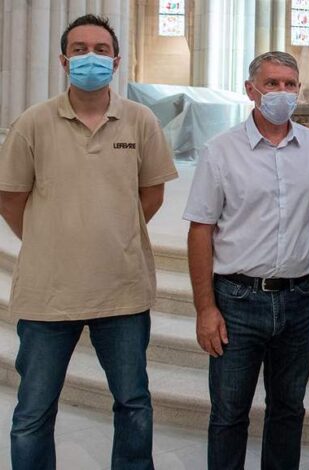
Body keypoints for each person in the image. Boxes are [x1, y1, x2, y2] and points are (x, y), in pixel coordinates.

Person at [0, 14, 178, 470]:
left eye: (100, 49)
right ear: (63, 61)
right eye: (79, 49)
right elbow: (11, 198)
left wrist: (112, 231)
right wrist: (50, 238)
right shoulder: (33, 122)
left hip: (121, 292)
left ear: (116, 61)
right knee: (33, 413)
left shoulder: (140, 120)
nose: (90, 58)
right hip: (48, 295)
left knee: (134, 404)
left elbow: (151, 193)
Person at [183, 51, 309, 470]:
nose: (282, 93)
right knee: (229, 412)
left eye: (291, 84)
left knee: (288, 408)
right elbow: (200, 230)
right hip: (237, 299)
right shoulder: (220, 152)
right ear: (250, 90)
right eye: (272, 84)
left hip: (299, 298)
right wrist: (205, 308)